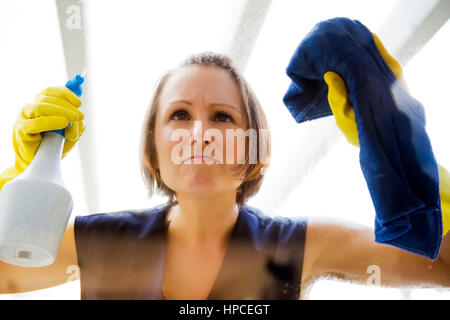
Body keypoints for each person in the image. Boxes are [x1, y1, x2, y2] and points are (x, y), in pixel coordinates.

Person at [0, 50, 449, 300]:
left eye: (222, 117)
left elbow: (443, 266)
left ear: (253, 147)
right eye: (179, 115)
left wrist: (397, 140)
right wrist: (20, 181)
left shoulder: (305, 246)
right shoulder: (98, 244)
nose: (200, 134)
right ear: (153, 148)